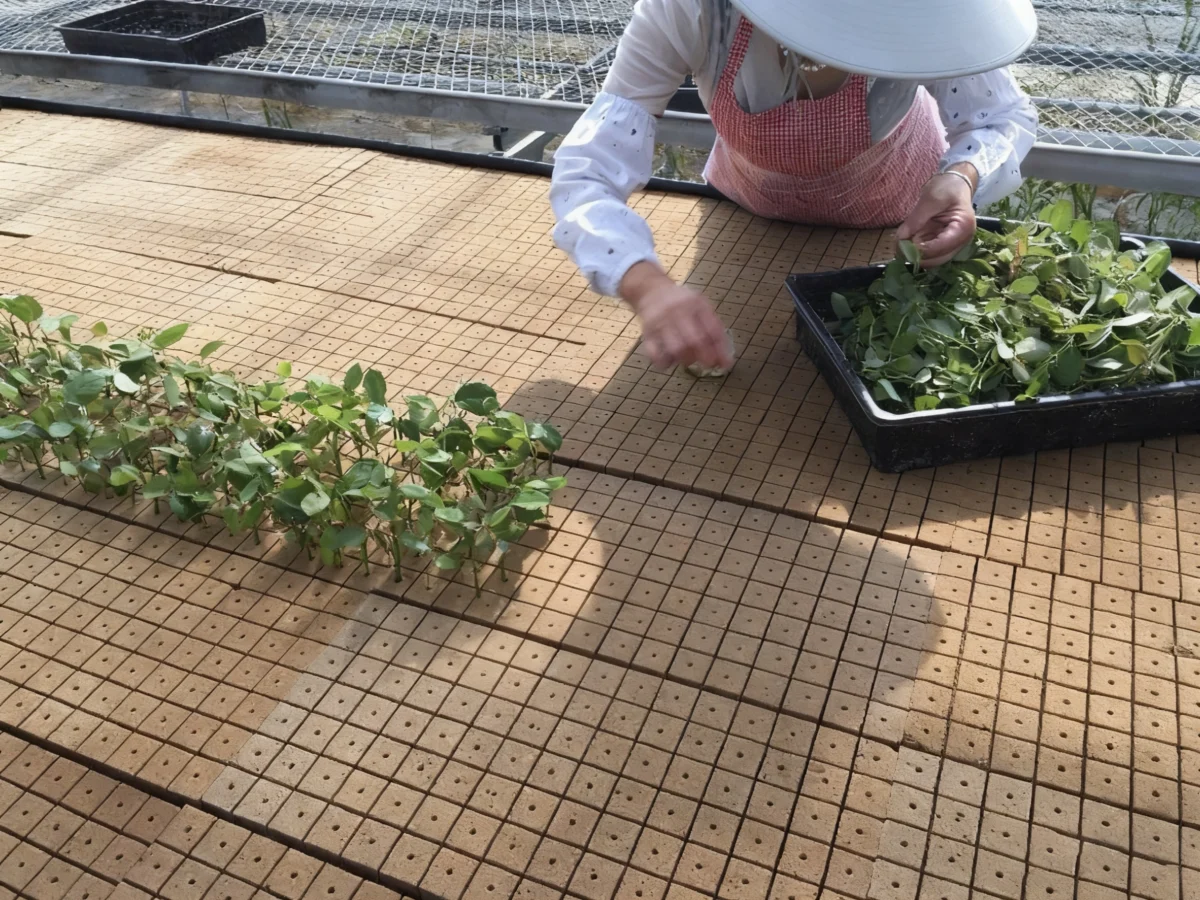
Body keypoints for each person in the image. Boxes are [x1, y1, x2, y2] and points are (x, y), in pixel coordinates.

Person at [550, 0, 1039, 374]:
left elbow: (999, 116)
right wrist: (646, 285)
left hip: (895, 218)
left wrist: (960, 177)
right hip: (750, 210)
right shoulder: (694, 10)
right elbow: (587, 170)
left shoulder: (930, 14)